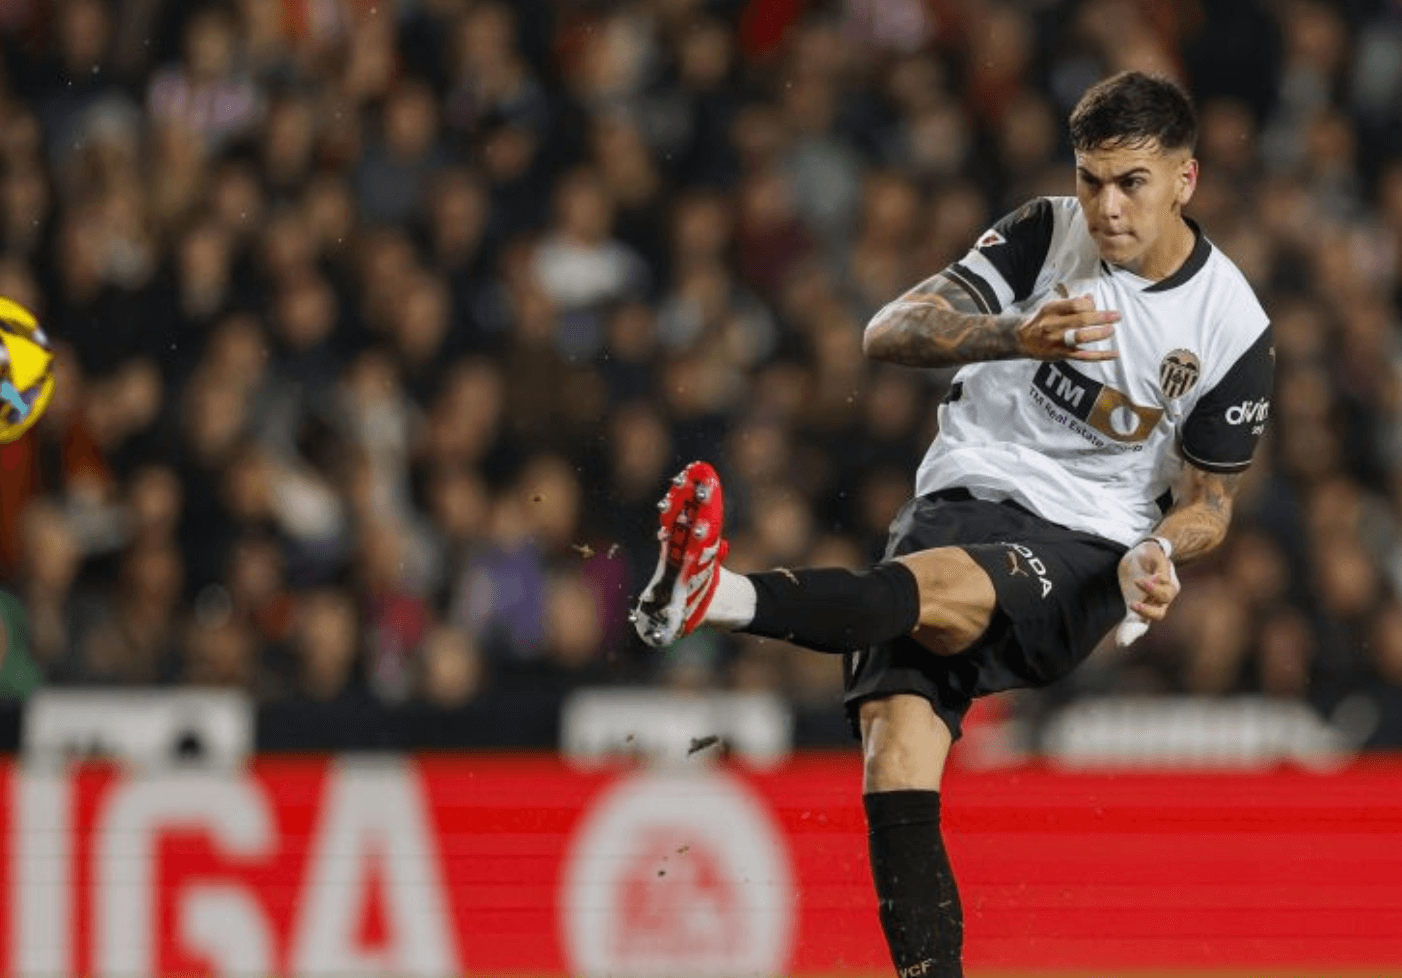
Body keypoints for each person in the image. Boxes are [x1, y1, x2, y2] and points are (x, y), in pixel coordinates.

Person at [632, 71, 1273, 978]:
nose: (1106, 207)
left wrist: (1159, 549)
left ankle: (715, 597)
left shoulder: (1231, 326)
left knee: (934, 587)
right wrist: (1013, 334)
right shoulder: (1045, 232)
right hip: (957, 497)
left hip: (1087, 544)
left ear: (1184, 179)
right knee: (893, 753)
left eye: (1131, 182)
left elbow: (1211, 503)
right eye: (1091, 179)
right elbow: (888, 331)